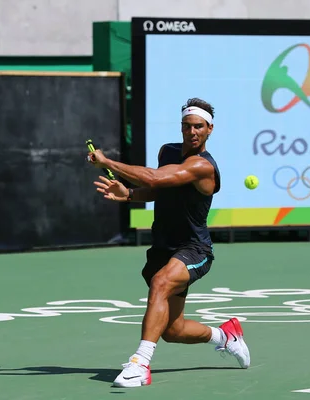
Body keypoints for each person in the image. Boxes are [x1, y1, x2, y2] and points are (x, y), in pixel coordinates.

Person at [88, 98, 250, 388]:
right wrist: (128, 195)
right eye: (187, 126)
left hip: (194, 249)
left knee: (161, 282)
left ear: (210, 129)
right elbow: (158, 189)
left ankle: (139, 365)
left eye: (198, 126)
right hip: (163, 246)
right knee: (173, 330)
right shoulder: (168, 151)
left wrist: (108, 162)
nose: (192, 132)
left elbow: (157, 178)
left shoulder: (202, 166)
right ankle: (226, 336)